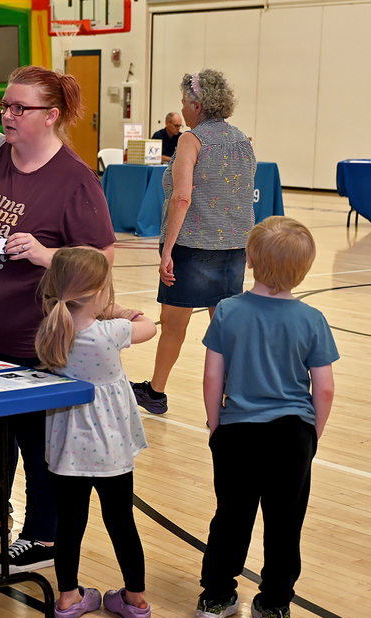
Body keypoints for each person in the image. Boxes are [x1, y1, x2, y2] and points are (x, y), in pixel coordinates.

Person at [0, 66, 116, 575]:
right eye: (5, 106)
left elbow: (99, 265)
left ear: (51, 116)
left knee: (37, 442)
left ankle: (42, 535)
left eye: (19, 109)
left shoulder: (74, 180)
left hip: (26, 338)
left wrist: (46, 256)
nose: (6, 116)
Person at [192, 216, 336, 618]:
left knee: (231, 517)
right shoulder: (312, 319)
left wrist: (216, 427)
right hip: (292, 434)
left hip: (237, 432)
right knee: (285, 521)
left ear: (250, 260)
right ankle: (275, 606)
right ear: (304, 269)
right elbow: (323, 389)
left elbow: (211, 377)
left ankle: (215, 598)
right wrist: (312, 435)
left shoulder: (228, 312)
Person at [33, 248, 157, 618]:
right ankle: (134, 599)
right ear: (100, 292)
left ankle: (69, 597)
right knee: (122, 522)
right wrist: (120, 311)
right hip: (111, 449)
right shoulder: (110, 332)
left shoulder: (53, 328)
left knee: (69, 524)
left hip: (68, 449)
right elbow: (149, 326)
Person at [130, 69, 256, 415]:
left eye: (185, 103)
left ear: (197, 105)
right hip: (233, 246)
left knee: (174, 323)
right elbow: (245, 197)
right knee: (224, 327)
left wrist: (167, 248)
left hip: (194, 246)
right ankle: (232, 400)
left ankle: (155, 392)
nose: (183, 109)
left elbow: (181, 198)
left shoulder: (191, 140)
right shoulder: (243, 139)